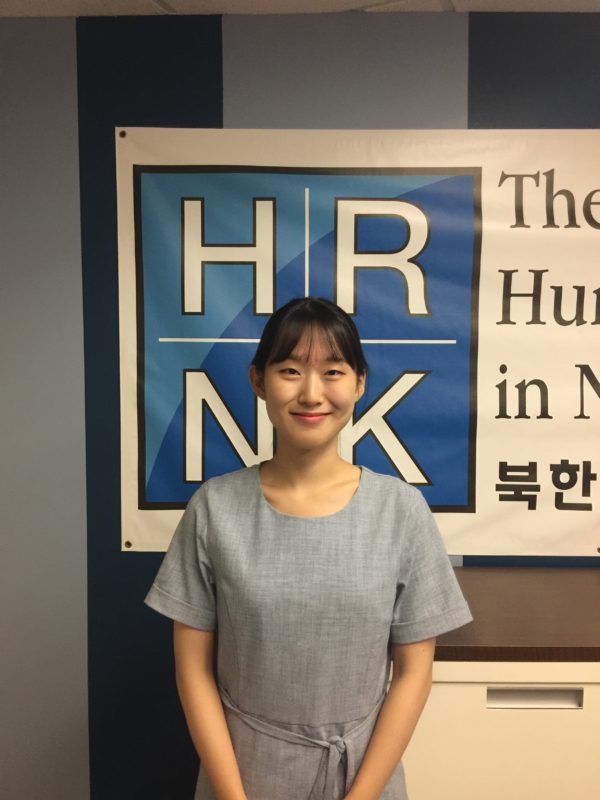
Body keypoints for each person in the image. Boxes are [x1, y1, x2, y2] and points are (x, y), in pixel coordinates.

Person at [145, 297, 472, 800]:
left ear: (359, 383)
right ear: (258, 381)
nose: (312, 393)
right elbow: (192, 671)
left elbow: (413, 673)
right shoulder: (214, 508)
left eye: (333, 372)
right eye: (291, 370)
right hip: (242, 776)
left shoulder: (401, 510)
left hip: (363, 777)